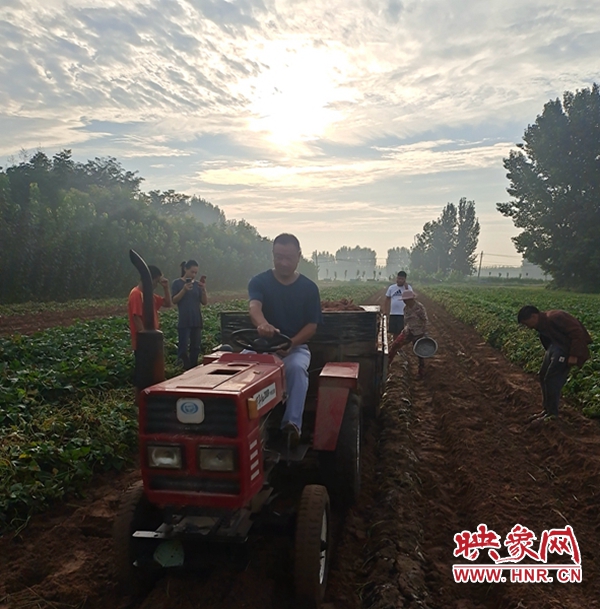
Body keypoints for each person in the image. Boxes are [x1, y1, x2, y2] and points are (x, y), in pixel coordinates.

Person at [248, 233, 322, 446]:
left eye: (288, 258)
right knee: (237, 368)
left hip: (294, 347)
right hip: (262, 347)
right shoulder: (259, 281)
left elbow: (311, 326)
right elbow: (254, 307)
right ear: (273, 255)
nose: (283, 262)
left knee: (297, 369)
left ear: (299, 256)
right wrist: (262, 324)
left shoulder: (308, 288)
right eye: (278, 257)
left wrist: (291, 343)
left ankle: (292, 424)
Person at [518, 305, 592, 421]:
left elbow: (577, 332)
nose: (527, 327)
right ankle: (546, 410)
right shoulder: (542, 324)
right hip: (555, 347)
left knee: (551, 379)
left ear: (533, 316)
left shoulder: (555, 317)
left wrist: (574, 355)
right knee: (543, 376)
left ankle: (552, 414)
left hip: (565, 349)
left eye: (526, 323)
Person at [171, 259, 208, 370]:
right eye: (192, 272)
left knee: (195, 347)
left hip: (196, 319)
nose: (193, 275)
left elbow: (204, 302)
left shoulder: (197, 285)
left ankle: (193, 367)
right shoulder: (177, 283)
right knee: (183, 346)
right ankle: (183, 367)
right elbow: (174, 300)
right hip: (184, 319)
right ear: (185, 269)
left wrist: (204, 290)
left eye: (196, 273)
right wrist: (184, 290)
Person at [127, 264, 172, 351]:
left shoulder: (149, 295)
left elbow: (167, 303)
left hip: (152, 339)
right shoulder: (136, 294)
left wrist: (166, 288)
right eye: (156, 281)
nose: (156, 285)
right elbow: (136, 318)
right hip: (143, 343)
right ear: (149, 280)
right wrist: (146, 339)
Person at [388, 290, 429, 378]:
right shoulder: (406, 308)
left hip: (418, 332)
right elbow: (406, 321)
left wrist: (424, 333)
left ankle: (421, 373)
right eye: (404, 300)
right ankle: (387, 365)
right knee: (395, 345)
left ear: (411, 299)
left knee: (419, 353)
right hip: (408, 330)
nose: (404, 301)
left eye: (406, 299)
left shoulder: (419, 308)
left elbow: (425, 320)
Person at [384, 271, 413, 339]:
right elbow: (387, 299)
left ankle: (400, 347)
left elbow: (411, 299)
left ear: (405, 280)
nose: (399, 280)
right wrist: (385, 310)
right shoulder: (391, 288)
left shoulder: (408, 288)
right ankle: (395, 347)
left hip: (403, 314)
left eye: (401, 279)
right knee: (394, 332)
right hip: (393, 313)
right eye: (398, 278)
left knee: (402, 332)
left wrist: (406, 289)